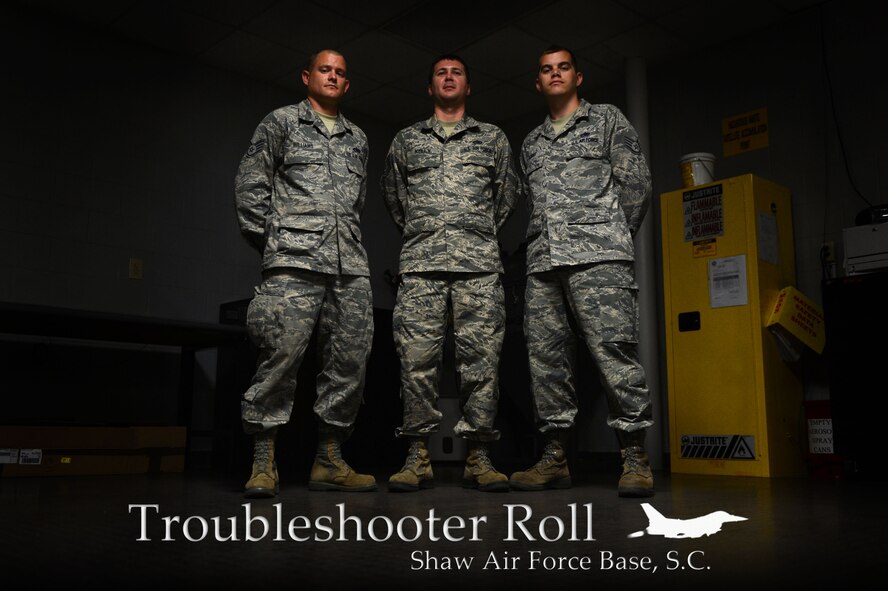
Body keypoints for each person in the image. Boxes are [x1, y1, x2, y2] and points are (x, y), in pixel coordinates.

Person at [509, 46, 655, 497]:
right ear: (538, 83)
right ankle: (554, 458)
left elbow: (636, 185)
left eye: (563, 68)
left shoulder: (606, 119)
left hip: (600, 259)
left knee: (615, 354)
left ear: (578, 77)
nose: (555, 74)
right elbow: (532, 203)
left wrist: (609, 236)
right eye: (546, 69)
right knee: (546, 362)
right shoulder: (530, 143)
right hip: (543, 265)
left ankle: (634, 457)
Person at [234, 49, 376, 497]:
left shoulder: (358, 138)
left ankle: (329, 460)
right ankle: (263, 461)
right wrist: (278, 241)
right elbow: (251, 188)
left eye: (340, 72)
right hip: (293, 261)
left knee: (349, 362)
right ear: (306, 76)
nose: (332, 77)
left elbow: (359, 202)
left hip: (349, 266)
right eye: (325, 70)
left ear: (346, 84)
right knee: (280, 357)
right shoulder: (281, 123)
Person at [381, 54, 520, 492]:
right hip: (421, 267)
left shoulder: (492, 138)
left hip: (477, 267)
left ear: (468, 86)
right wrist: (428, 232)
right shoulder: (406, 140)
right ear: (430, 87)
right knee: (415, 364)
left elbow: (507, 196)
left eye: (456, 71)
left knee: (481, 365)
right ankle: (417, 456)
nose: (448, 77)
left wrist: (471, 233)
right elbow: (394, 196)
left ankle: (479, 458)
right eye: (440, 72)